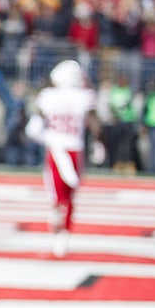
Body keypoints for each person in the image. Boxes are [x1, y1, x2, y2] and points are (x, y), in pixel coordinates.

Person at [26, 60, 100, 257]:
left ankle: (58, 225)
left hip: (56, 149)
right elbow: (95, 124)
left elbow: (33, 128)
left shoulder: (48, 96)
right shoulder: (84, 96)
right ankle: (64, 233)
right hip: (75, 149)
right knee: (70, 197)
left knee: (56, 195)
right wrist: (99, 144)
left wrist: (46, 137)